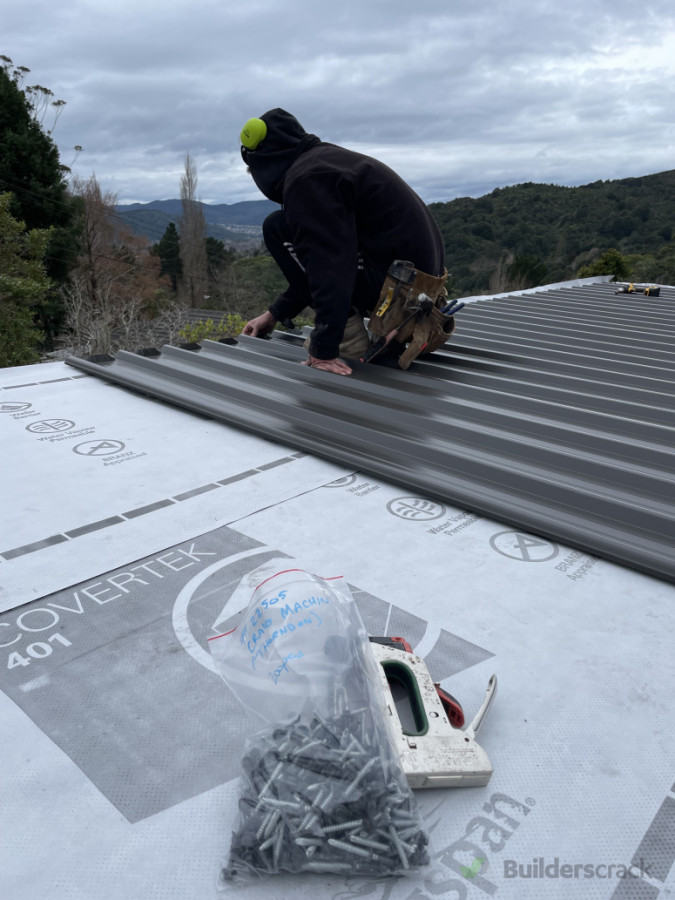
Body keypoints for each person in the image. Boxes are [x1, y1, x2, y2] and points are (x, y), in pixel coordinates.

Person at [240, 108, 446, 376]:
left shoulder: (308, 179)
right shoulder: (326, 163)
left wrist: (324, 349)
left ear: (264, 163)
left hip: (401, 297)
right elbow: (329, 255)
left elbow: (329, 264)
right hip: (419, 294)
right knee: (299, 238)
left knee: (277, 228)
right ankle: (356, 331)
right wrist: (275, 313)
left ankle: (349, 340)